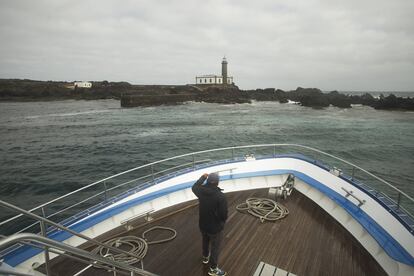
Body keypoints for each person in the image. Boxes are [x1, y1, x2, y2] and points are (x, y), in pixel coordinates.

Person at [192, 172, 228, 276]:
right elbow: (224, 215)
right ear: (217, 182)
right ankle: (213, 269)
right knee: (215, 247)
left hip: (203, 225)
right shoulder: (221, 197)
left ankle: (205, 257)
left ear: (208, 181)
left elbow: (194, 186)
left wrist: (202, 177)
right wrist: (221, 223)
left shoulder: (200, 191)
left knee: (205, 240)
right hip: (215, 228)